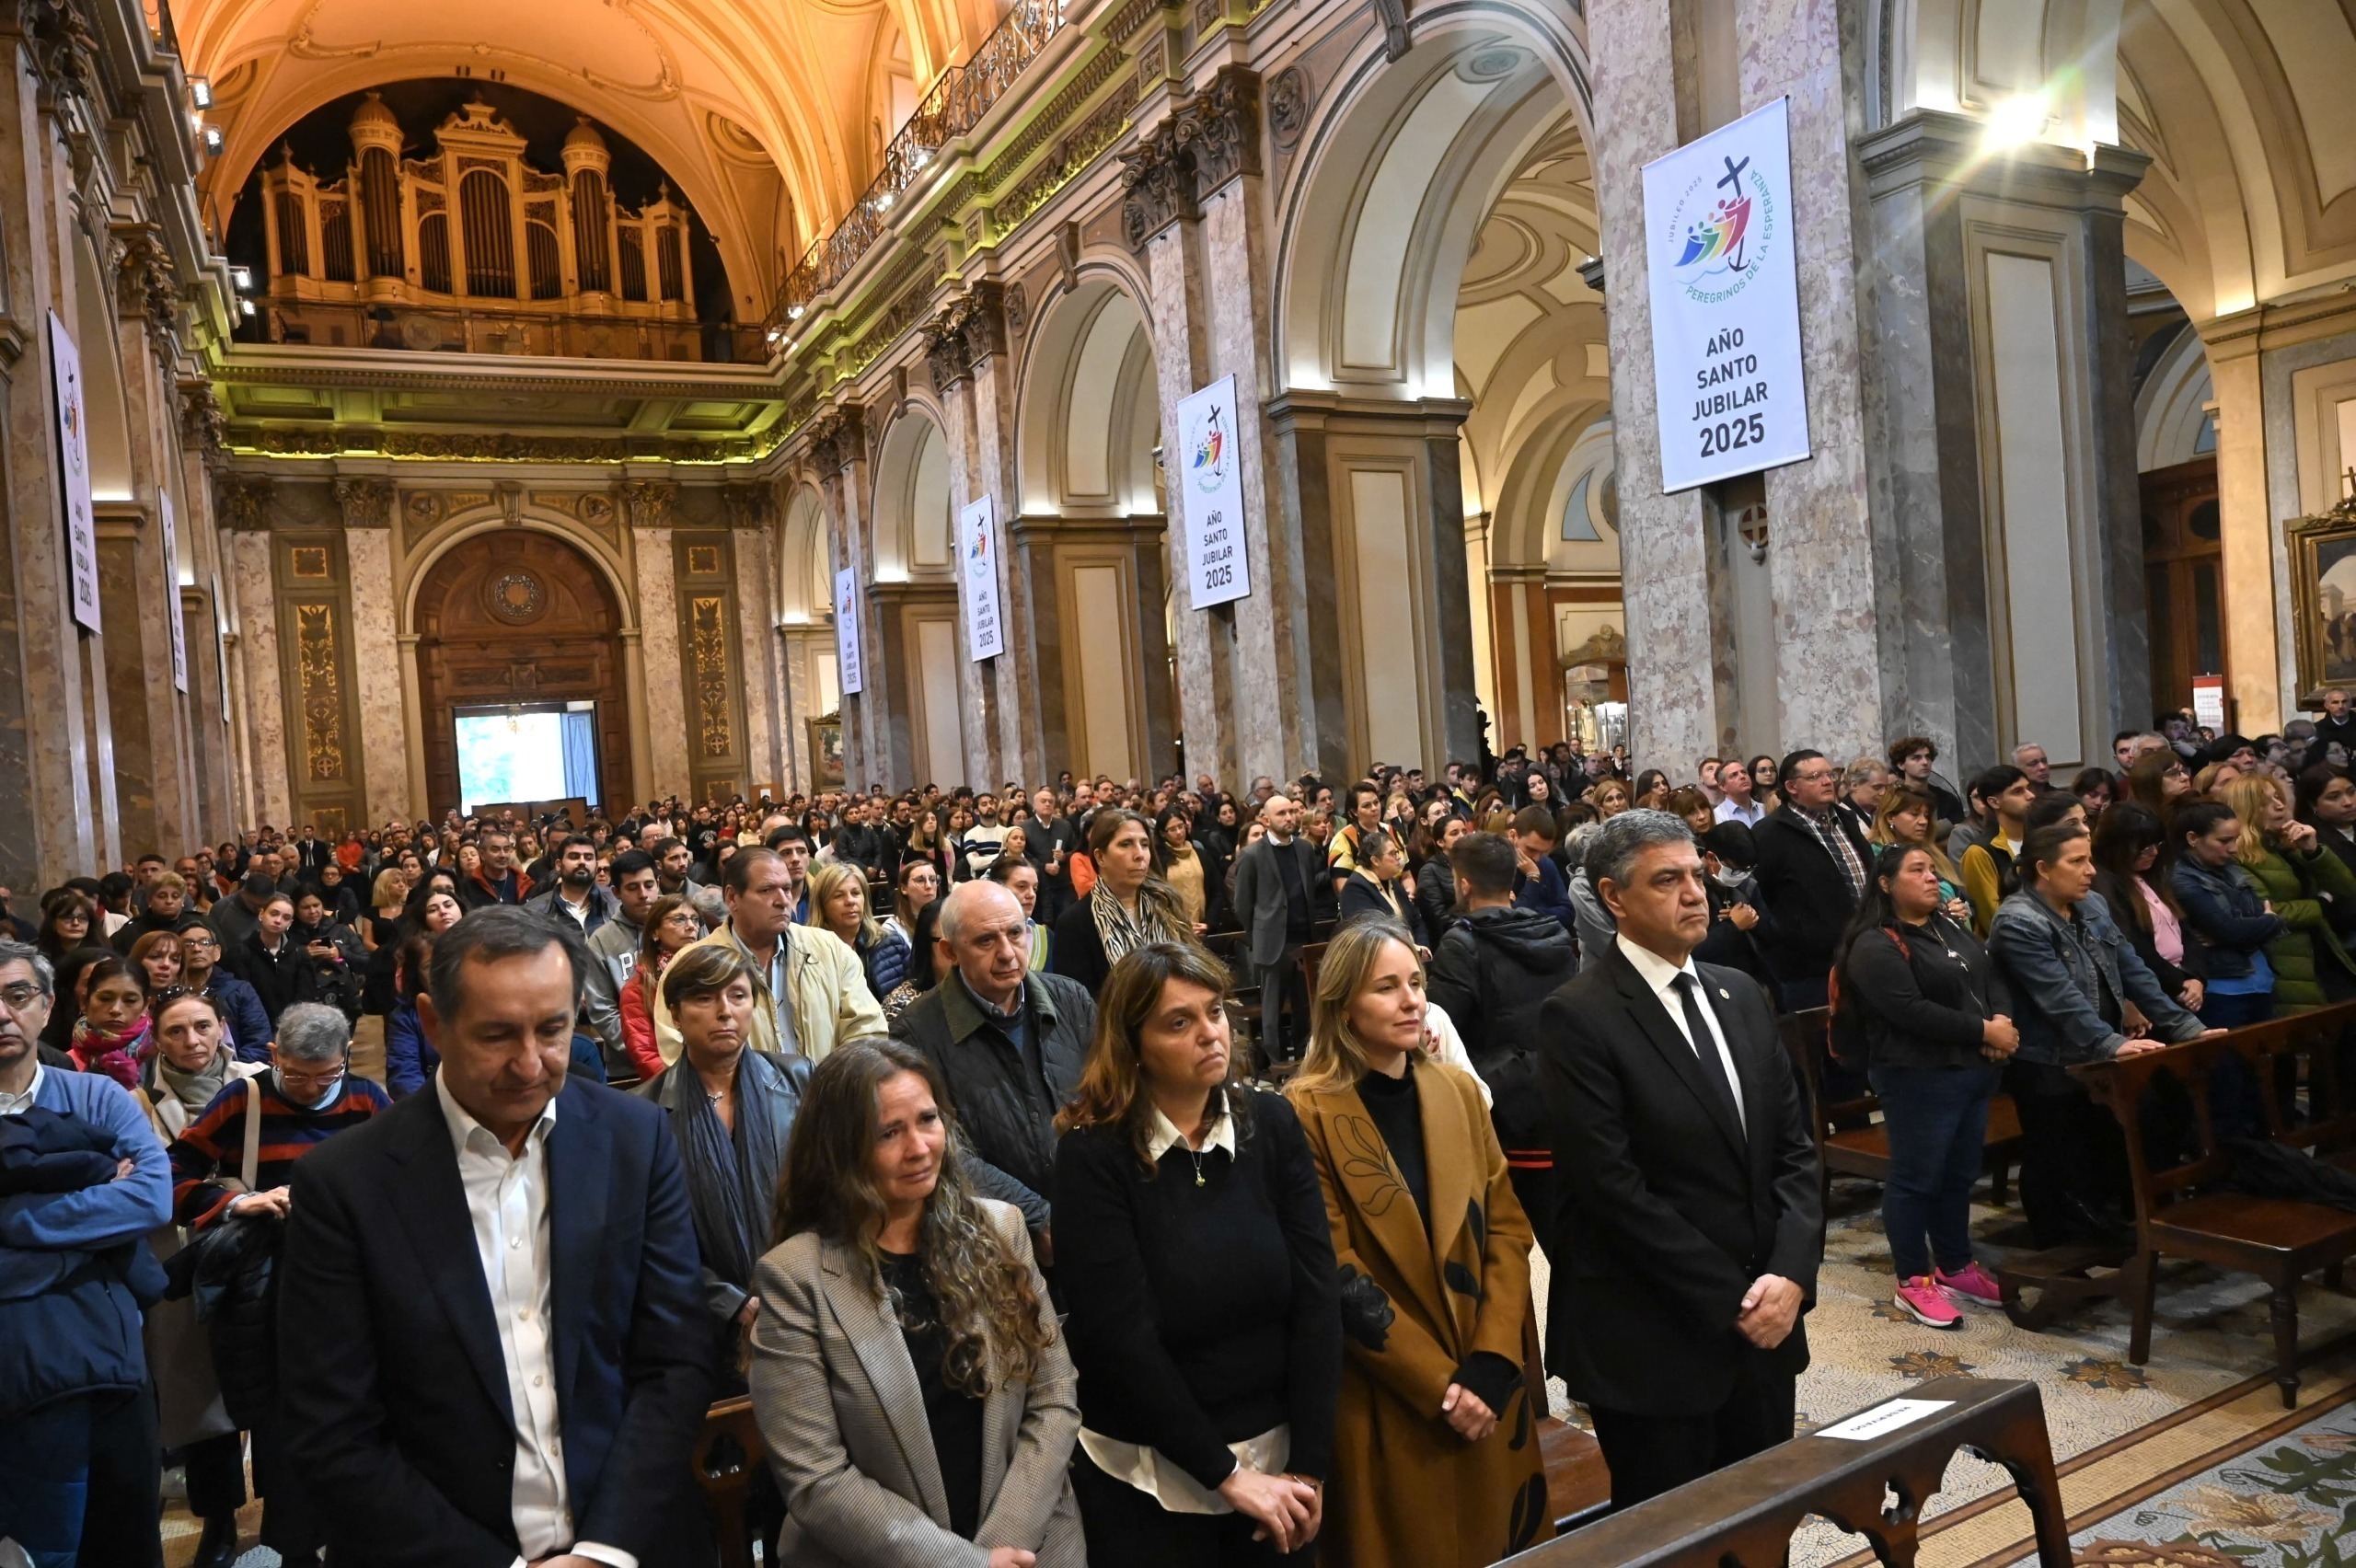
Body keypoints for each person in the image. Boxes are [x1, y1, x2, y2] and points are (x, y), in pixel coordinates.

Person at [277, 906, 715, 1566]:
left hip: (630, 1540)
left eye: (553, 1030)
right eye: (497, 1035)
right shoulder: (345, 1183)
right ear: (433, 1024)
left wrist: (603, 1550)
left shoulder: (636, 1138)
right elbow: (334, 1427)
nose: (530, 1063)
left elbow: (675, 1360)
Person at [1537, 810, 1823, 1510]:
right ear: (1613, 896)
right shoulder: (1578, 1015)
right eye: (1667, 881)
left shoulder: (1740, 994)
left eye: (1697, 875)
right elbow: (1612, 1190)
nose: (1696, 894)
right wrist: (1734, 1299)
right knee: (1676, 1533)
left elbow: (1794, 1150)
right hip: (1654, 1335)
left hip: (1767, 1322)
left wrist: (1790, 1273)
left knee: (1763, 1524)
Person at [1052, 941, 1341, 1565]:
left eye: (1214, 1012)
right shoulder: (1093, 1158)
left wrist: (1310, 1467)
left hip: (1280, 1462)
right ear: (1132, 1045)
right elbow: (1121, 1341)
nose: (1210, 1033)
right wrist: (1225, 1474)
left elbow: (1318, 1296)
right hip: (1152, 1470)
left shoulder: (1271, 1122)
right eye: (1179, 1022)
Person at [746, 1038, 1080, 1567]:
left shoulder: (1002, 1229)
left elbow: (1055, 1395)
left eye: (928, 1120)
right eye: (889, 1133)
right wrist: (962, 1564)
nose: (920, 1148)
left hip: (1033, 1544)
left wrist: (1001, 1547)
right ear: (840, 1150)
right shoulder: (795, 1278)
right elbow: (817, 1477)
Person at [1283, 920, 1548, 1564]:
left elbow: (1507, 1228)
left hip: (1486, 1376)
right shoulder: (1304, 1111)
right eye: (1386, 988)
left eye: (1416, 983)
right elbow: (1333, 1268)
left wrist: (1493, 1360)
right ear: (1343, 1005)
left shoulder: (1455, 1090)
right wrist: (1441, 1387)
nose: (1412, 1001)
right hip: (1390, 1391)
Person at [167, 1002, 391, 1558]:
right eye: (296, 1075)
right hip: (264, 1279)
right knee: (275, 1409)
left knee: (346, 1407)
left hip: (346, 1279)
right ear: (273, 1055)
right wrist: (237, 1201)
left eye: (327, 1075)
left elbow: (404, 1175)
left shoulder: (365, 1097)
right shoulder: (244, 1097)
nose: (313, 1088)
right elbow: (172, 1171)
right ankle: (287, 1540)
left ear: (345, 1058)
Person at [0, 940, 173, 1568]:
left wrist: (15, 1217)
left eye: (18, 995)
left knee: (120, 1529)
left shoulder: (96, 1096)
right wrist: (93, 1205)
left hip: (106, 1347)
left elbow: (150, 1199)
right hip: (14, 1357)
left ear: (47, 1007)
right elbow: (122, 1203)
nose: (2, 1013)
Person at [1989, 823, 2214, 1248]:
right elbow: (2059, 998)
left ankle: (2108, 1234)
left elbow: (2134, 972)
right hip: (2049, 1061)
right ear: (2043, 869)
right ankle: (2054, 1249)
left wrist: (2187, 1028)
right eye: (2077, 861)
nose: (2091, 871)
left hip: (2096, 1052)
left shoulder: (2091, 903)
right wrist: (2112, 1043)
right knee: (2054, 1157)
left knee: (2106, 1146)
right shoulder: (2018, 921)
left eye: (2089, 859)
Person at [1833, 847, 2016, 1330]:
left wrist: (2000, 1020)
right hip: (1917, 1076)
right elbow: (1909, 1010)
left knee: (1958, 1174)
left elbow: (1990, 973)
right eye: (1917, 871)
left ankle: (1955, 1267)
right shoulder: (1874, 944)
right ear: (1886, 884)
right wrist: (1984, 1031)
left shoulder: (1946, 925)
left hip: (1970, 1071)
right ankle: (1912, 1281)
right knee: (1917, 1179)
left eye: (1933, 869)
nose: (1932, 878)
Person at [635, 942, 812, 1409]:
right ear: (675, 1014)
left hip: (804, 1304)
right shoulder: (641, 1113)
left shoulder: (798, 1080)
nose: (724, 1012)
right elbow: (648, 1241)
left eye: (737, 995)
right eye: (704, 998)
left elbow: (828, 1195)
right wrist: (732, 1303)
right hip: (703, 1326)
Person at [892, 881, 1093, 1245]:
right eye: (986, 941)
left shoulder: (1071, 998)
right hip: (995, 1234)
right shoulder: (916, 1031)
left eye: (1015, 933)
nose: (1007, 953)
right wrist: (1037, 1216)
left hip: (1094, 1207)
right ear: (950, 951)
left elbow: (1113, 1094)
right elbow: (945, 1148)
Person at [1425, 831, 1574, 1238]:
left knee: (1505, 1240)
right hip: (1561, 1089)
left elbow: (1441, 1025)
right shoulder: (1553, 931)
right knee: (1567, 1235)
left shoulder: (1462, 943)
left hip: (1501, 1103)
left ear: (1464, 884)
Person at [653, 847, 886, 1067]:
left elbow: (867, 1029)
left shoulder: (831, 949)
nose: (783, 900)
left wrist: (835, 1087)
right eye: (767, 890)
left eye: (786, 889)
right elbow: (678, 1056)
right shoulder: (691, 966)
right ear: (732, 897)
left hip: (827, 1092)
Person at [2218, 773, 2356, 1013]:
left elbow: (2347, 890)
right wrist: (2321, 904)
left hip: (2324, 950)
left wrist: (2314, 853)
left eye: (2278, 798)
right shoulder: (2238, 857)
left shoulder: (2288, 845)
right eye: (2266, 802)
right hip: (2285, 961)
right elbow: (2265, 912)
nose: (2279, 805)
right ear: (2246, 809)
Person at [1751, 749, 1873, 1011]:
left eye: (1829, 774)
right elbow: (1758, 894)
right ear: (1791, 787)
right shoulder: (1771, 833)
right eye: (1815, 776)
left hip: (1867, 952)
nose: (1827, 781)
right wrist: (1788, 934)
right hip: (1810, 968)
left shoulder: (1846, 820)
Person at [2170, 800, 2290, 1029]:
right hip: (2221, 990)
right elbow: (2228, 930)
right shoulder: (2182, 879)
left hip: (2261, 981)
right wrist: (2269, 921)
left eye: (2235, 839)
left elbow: (2245, 922)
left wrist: (2263, 923)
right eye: (2224, 841)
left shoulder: (2230, 868)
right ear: (2193, 838)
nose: (2234, 848)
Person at [1054, 808, 1195, 994]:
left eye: (1144, 844)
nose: (1140, 854)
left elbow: (1192, 969)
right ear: (1100, 857)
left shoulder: (1166, 902)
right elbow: (1077, 1001)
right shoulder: (1074, 923)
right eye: (1126, 844)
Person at [2089, 802, 2206, 1019]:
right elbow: (2135, 946)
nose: (2154, 852)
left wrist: (2196, 977)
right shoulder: (2105, 885)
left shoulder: (2153, 876)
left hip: (2184, 984)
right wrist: (2180, 981)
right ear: (2116, 846)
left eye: (2157, 844)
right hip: (2154, 995)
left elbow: (2186, 930)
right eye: (2143, 848)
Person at [582, 848, 660, 1078]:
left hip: (691, 1057)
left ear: (658, 883)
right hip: (629, 1067)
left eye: (649, 885)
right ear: (616, 892)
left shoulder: (686, 923)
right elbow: (603, 1011)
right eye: (632, 888)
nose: (643, 894)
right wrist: (645, 1051)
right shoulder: (601, 941)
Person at [384, 886, 468, 1097]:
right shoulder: (406, 1017)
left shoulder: (483, 1001)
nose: (441, 972)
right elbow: (404, 1076)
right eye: (430, 967)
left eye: (448, 905)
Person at [806, 859, 912, 1002]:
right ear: (822, 905)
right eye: (839, 895)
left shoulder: (892, 943)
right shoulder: (808, 955)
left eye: (855, 893)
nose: (850, 901)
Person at [1958, 766, 2036, 937]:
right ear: (1994, 802)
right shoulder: (1979, 852)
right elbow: (1993, 917)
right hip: (2012, 940)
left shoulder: (2039, 839)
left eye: (2029, 788)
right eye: (2018, 792)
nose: (2030, 796)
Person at [1335, 826, 1430, 951]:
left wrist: (1423, 947)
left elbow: (1416, 920)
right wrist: (1413, 950)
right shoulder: (1354, 889)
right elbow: (1372, 936)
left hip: (1409, 952)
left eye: (1397, 852)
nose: (1399, 857)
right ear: (1375, 860)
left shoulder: (1392, 882)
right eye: (1392, 853)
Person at [525, 834, 620, 940]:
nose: (582, 862)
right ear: (559, 865)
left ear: (596, 866)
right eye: (574, 857)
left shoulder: (616, 903)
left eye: (588, 858)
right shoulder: (534, 911)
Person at [1157, 806, 1215, 929]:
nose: (1179, 832)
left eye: (1181, 826)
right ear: (1162, 833)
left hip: (1202, 926)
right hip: (1172, 928)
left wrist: (1209, 922)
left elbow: (1217, 891)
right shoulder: (1158, 860)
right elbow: (1157, 899)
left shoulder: (1201, 854)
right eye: (1172, 829)